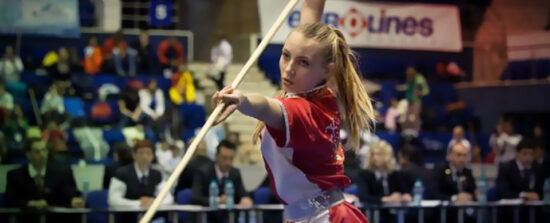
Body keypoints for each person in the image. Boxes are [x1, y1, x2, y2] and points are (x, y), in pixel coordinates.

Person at [212, 0, 373, 221]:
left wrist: (242, 100)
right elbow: (311, 9)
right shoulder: (311, 87)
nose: (289, 69)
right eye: (286, 55)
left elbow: (268, 108)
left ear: (327, 70)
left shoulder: (306, 112)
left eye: (303, 63)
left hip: (325, 217)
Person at [5, 139, 84, 222]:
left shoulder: (61, 173)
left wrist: (74, 200)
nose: (42, 154)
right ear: (28, 154)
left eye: (44, 150)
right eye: (37, 151)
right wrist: (29, 204)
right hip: (28, 218)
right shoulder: (15, 175)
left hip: (54, 218)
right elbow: (10, 201)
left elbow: (69, 194)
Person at [108, 139, 173, 221]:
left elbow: (168, 198)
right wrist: (139, 203)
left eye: (148, 153)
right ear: (134, 155)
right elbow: (113, 200)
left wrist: (154, 203)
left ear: (152, 156)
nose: (145, 156)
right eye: (141, 153)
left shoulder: (156, 174)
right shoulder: (122, 173)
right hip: (127, 218)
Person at [191, 140, 253, 222]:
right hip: (208, 219)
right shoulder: (203, 172)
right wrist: (217, 201)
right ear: (216, 156)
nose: (228, 162)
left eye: (231, 158)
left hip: (229, 219)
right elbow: (196, 198)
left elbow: (242, 192)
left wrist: (246, 198)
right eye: (224, 158)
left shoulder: (235, 173)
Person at [356, 141, 411, 223]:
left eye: (379, 154)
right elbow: (363, 197)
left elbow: (405, 191)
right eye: (373, 154)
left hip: (393, 215)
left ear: (387, 156)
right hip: (372, 215)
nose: (375, 158)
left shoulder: (396, 174)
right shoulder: (364, 175)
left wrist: (405, 196)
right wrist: (386, 199)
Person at [496, 138, 545, 223]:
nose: (528, 158)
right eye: (524, 154)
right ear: (517, 153)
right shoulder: (506, 168)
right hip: (510, 214)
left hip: (534, 214)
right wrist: (523, 195)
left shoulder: (537, 168)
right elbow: (502, 192)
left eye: (531, 154)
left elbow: (541, 192)